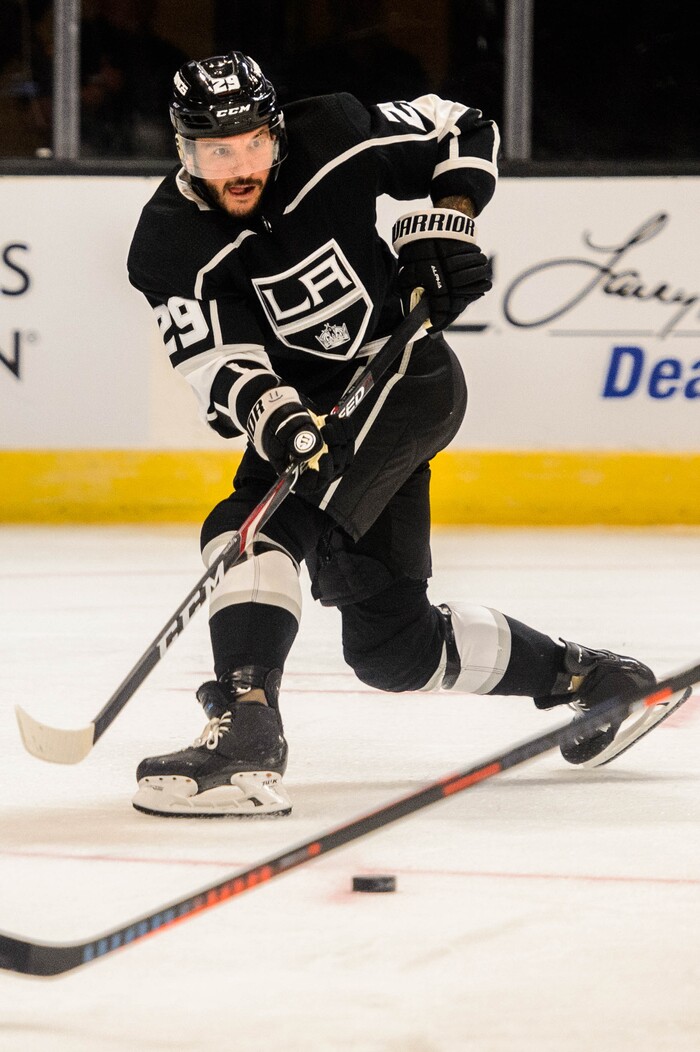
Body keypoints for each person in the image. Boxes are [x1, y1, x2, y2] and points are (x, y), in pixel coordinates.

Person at [127, 51, 656, 818]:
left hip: (403, 376)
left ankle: (245, 726)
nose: (239, 166)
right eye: (216, 151)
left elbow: (460, 128)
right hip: (313, 414)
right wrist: (274, 414)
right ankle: (596, 681)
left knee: (253, 533)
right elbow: (213, 354)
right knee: (394, 651)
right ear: (183, 151)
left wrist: (449, 226)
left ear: (277, 131)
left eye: (253, 144)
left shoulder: (333, 132)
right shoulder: (169, 242)